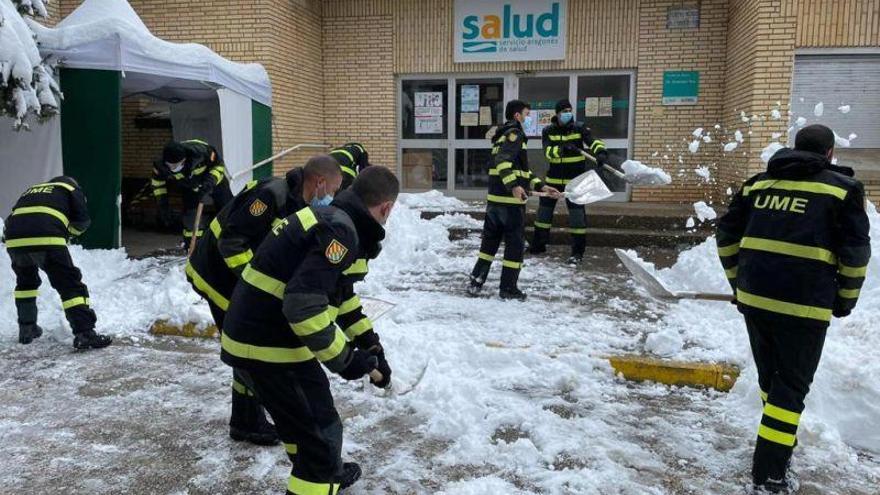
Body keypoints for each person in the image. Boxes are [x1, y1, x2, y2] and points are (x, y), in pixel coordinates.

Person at [219, 166, 399, 494]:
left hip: (255, 338)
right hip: (270, 346)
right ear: (386, 208)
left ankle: (325, 466)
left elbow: (340, 295)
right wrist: (346, 360)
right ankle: (321, 471)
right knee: (320, 435)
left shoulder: (333, 218)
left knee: (306, 425)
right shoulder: (341, 231)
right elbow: (302, 306)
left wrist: (371, 346)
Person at [716, 124, 870, 493]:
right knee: (790, 391)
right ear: (830, 153)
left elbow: (726, 236)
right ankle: (769, 475)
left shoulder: (757, 185)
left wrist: (739, 283)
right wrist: (845, 301)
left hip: (755, 301)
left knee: (773, 381)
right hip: (804, 308)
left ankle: (779, 440)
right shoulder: (842, 190)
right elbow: (855, 254)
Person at [186, 155, 343, 447]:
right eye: (334, 189)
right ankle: (248, 422)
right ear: (320, 182)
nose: (332, 197)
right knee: (249, 350)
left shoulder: (298, 202)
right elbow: (231, 243)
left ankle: (245, 421)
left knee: (248, 351)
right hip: (217, 275)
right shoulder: (271, 196)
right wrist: (254, 288)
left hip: (234, 279)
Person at [3, 176, 112, 349]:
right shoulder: (71, 189)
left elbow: (12, 217)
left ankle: (27, 329)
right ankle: (85, 333)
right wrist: (68, 235)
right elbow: (82, 221)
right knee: (70, 285)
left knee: (26, 284)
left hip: (14, 239)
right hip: (46, 236)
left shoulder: (32, 190)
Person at [467, 100, 560, 301]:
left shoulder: (501, 136)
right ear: (517, 115)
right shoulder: (515, 135)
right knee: (515, 247)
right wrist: (515, 187)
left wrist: (541, 186)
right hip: (510, 205)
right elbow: (503, 163)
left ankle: (476, 282)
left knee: (489, 246)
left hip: (495, 202)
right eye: (526, 114)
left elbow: (522, 172)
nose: (528, 119)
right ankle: (508, 289)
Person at [530, 98, 608, 264]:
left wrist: (601, 152)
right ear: (557, 114)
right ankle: (538, 245)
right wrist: (563, 149)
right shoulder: (548, 130)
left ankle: (577, 252)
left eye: (569, 110)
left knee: (577, 218)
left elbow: (593, 141)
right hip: (553, 180)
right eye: (564, 111)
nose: (567, 114)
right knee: (543, 215)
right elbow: (548, 152)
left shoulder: (579, 128)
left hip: (576, 181)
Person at [152, 139, 233, 246]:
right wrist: (162, 205)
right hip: (189, 185)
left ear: (184, 159)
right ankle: (193, 247)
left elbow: (218, 165)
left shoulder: (202, 152)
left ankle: (228, 241)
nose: (173, 168)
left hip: (214, 180)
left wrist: (210, 182)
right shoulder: (160, 165)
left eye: (176, 165)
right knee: (191, 219)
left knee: (227, 209)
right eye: (170, 165)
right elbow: (158, 185)